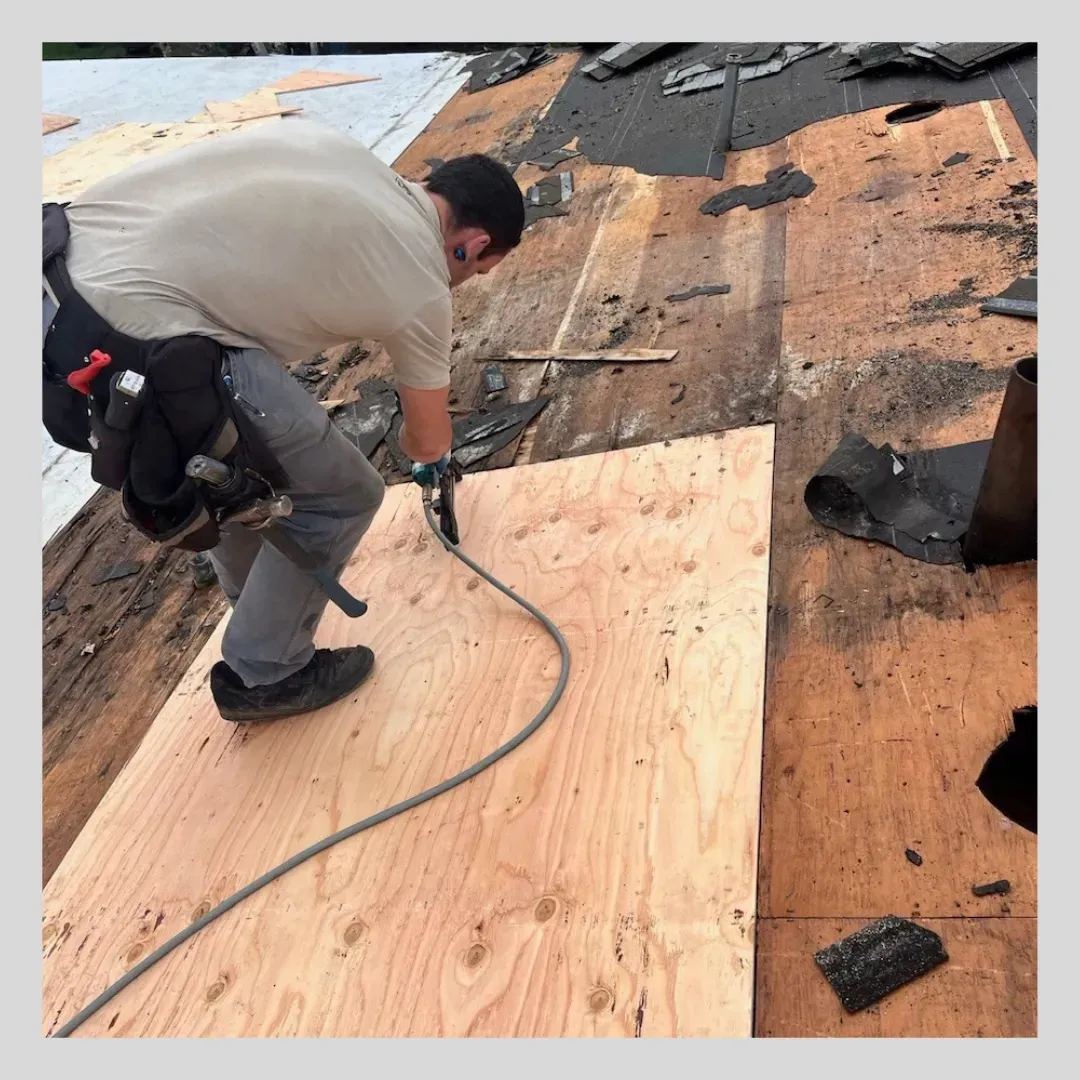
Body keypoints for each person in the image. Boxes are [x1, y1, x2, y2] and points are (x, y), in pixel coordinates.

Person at [48, 120, 525, 722]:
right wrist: (432, 462)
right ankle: (267, 674)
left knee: (236, 464)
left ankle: (258, 608)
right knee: (346, 495)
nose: (464, 282)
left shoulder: (343, 152)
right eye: (475, 271)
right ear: (475, 243)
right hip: (128, 342)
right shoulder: (420, 279)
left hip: (49, 276)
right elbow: (425, 437)